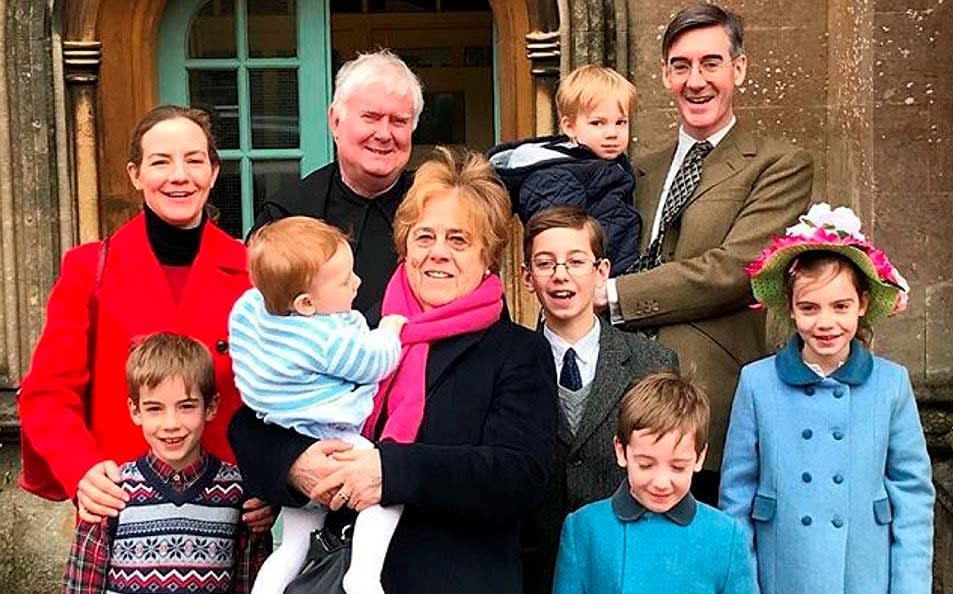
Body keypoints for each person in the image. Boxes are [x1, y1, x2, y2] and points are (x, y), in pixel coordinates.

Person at [229, 147, 556, 594]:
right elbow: (251, 424)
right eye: (424, 237)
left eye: (458, 240)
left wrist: (391, 472)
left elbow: (520, 475)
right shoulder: (354, 329)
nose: (438, 253)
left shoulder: (517, 353)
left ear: (489, 256)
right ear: (404, 245)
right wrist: (294, 463)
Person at [17, 105, 272, 530]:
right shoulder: (88, 269)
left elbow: (280, 397)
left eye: (194, 160)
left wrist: (273, 482)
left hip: (230, 515)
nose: (179, 175)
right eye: (160, 161)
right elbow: (47, 393)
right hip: (120, 509)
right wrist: (82, 470)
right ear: (135, 174)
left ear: (212, 171)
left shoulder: (254, 274)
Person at [599, 4, 814, 504]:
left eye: (710, 63)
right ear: (665, 75)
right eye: (681, 66)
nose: (696, 81)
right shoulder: (634, 168)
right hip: (620, 407)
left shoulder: (778, 164)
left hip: (712, 414)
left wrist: (610, 294)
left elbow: (737, 270)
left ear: (738, 68)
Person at [720, 202, 935, 593]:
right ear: (790, 308)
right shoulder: (756, 383)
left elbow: (913, 498)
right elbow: (737, 497)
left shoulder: (891, 384)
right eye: (809, 308)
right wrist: (743, 585)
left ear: (863, 305)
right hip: (782, 570)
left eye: (840, 307)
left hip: (864, 571)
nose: (825, 323)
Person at [229, 216, 407, 594]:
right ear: (307, 303)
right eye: (345, 281)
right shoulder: (326, 338)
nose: (357, 283)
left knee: (293, 545)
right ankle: (363, 575)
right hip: (336, 437)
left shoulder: (255, 313)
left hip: (291, 434)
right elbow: (374, 360)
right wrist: (390, 330)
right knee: (386, 492)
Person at [519, 206, 677, 593]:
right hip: (532, 567)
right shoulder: (510, 363)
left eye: (576, 261)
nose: (561, 275)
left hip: (626, 565)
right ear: (527, 277)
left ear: (602, 271)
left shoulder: (651, 361)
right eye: (545, 263)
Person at [63, 332, 267, 593]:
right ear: (135, 411)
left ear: (211, 406)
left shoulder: (239, 493)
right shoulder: (111, 493)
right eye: (154, 409)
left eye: (186, 406)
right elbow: (81, 586)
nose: (171, 424)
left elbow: (252, 583)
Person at [553, 372, 758, 594]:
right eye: (646, 465)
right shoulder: (585, 527)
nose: (661, 482)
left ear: (700, 457)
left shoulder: (726, 535)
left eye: (678, 467)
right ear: (621, 451)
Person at [253, 49, 423, 312]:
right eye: (371, 117)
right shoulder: (288, 213)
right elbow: (260, 317)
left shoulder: (433, 206)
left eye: (399, 121)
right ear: (335, 121)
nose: (384, 134)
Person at [488, 65, 641, 274]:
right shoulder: (555, 176)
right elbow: (558, 247)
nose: (612, 133)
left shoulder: (609, 165)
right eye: (597, 123)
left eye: (621, 122)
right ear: (569, 126)